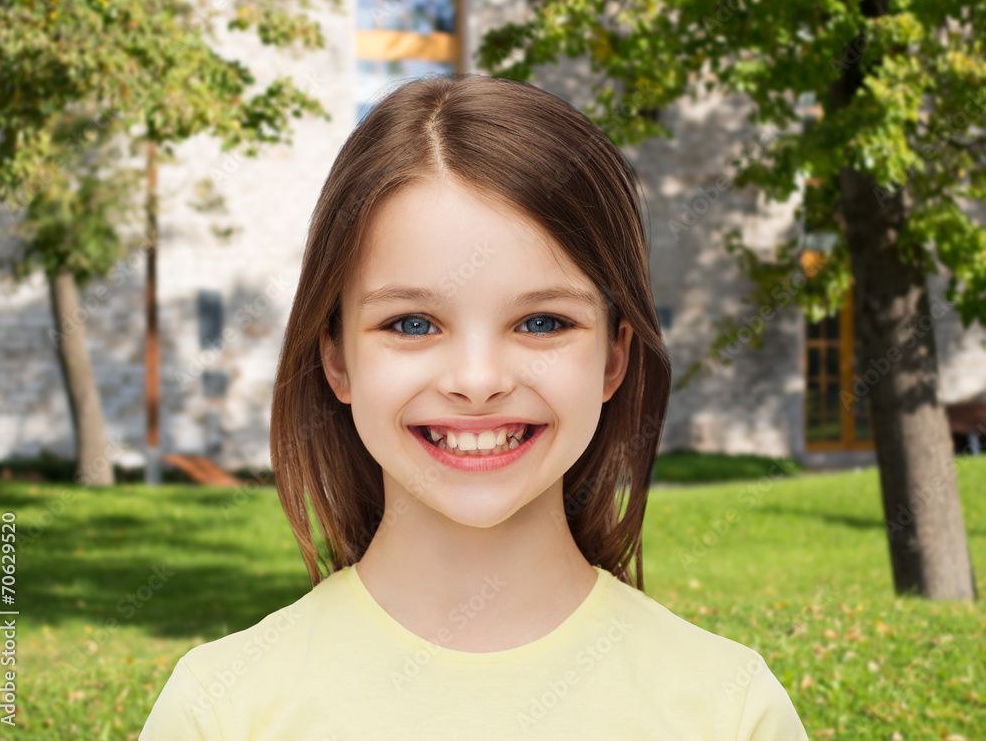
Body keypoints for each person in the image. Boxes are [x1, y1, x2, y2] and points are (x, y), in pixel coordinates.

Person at [139, 74, 809, 739]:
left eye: (542, 322)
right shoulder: (219, 710)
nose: (477, 380)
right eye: (412, 323)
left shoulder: (730, 710)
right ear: (337, 358)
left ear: (614, 357)